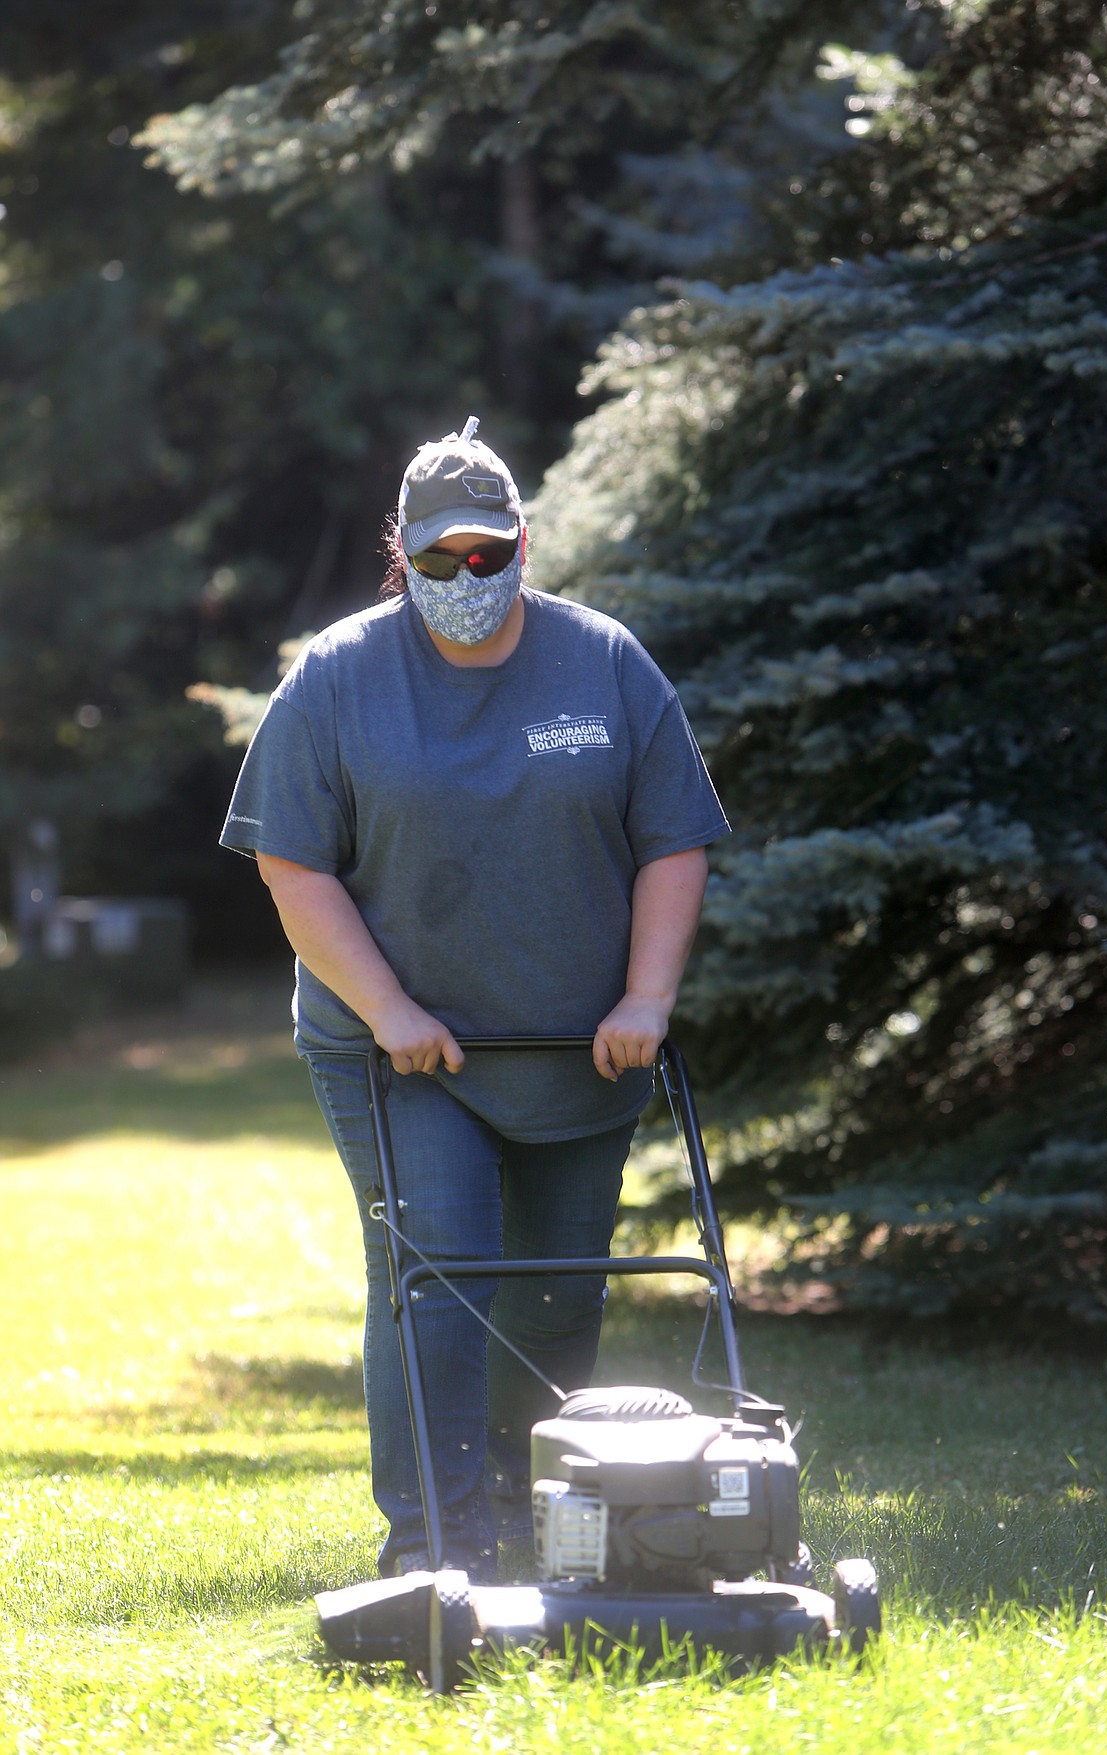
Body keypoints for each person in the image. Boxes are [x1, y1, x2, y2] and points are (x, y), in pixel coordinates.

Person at [220, 416, 730, 1580]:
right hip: (402, 1049)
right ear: (403, 551)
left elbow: (673, 842)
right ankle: (435, 1543)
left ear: (522, 543)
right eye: (440, 558)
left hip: (578, 1048)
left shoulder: (605, 663)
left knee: (556, 1299)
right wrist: (391, 1012)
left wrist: (647, 998)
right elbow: (293, 865)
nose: (466, 578)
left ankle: (541, 1514)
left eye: (487, 554)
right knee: (437, 1271)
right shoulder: (339, 678)